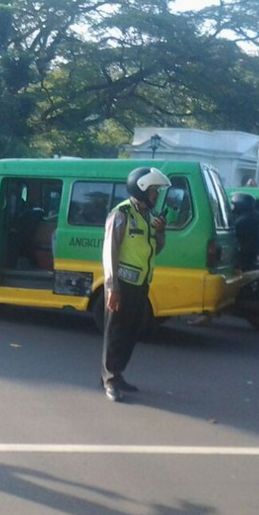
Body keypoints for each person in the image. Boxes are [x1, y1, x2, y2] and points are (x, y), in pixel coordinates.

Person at [101, 166, 170, 403]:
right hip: (122, 285)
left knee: (131, 332)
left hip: (141, 284)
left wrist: (161, 232)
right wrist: (113, 287)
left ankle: (117, 374)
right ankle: (109, 379)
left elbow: (156, 248)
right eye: (154, 191)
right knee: (116, 332)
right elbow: (109, 252)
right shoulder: (121, 214)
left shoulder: (149, 217)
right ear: (141, 190)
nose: (157, 196)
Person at [231, 192, 259, 271]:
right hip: (251, 256)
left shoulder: (242, 221)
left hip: (242, 258)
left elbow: (233, 238)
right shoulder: (254, 217)